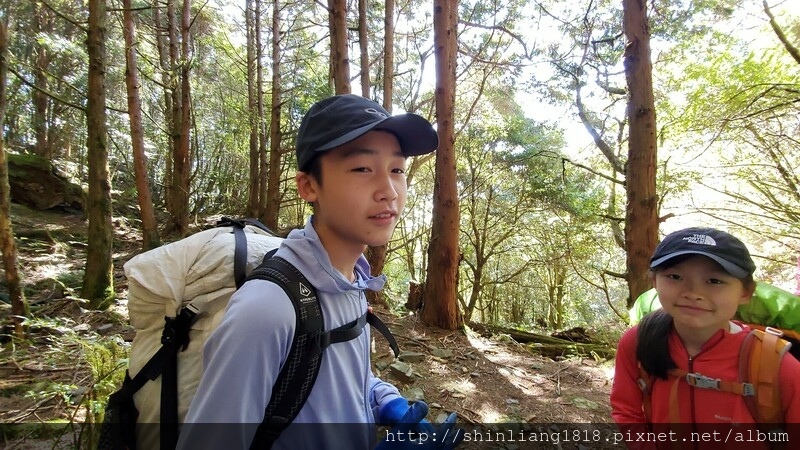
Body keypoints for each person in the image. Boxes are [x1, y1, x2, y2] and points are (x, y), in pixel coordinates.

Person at [176, 94, 461, 450]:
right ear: (309, 186)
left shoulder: (350, 282)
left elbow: (340, 381)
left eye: (397, 170)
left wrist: (384, 400)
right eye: (362, 169)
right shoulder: (266, 310)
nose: (389, 191)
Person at [610, 227, 800, 449]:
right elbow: (627, 411)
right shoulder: (638, 341)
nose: (692, 292)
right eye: (675, 277)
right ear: (654, 282)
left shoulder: (773, 362)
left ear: (746, 292)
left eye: (714, 281)